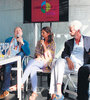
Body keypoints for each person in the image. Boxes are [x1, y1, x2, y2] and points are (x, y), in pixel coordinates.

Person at [9, 26, 56, 100]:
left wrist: (43, 45)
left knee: (31, 62)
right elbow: (36, 52)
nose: (42, 34)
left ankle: (20, 83)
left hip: (47, 63)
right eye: (41, 32)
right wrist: (38, 56)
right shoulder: (39, 42)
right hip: (38, 61)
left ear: (48, 34)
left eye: (43, 33)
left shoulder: (52, 43)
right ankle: (34, 92)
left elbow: (49, 56)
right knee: (32, 68)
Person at [49, 20, 90, 100]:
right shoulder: (68, 42)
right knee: (58, 61)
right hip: (69, 65)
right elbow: (64, 54)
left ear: (77, 31)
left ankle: (54, 93)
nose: (69, 32)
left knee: (54, 65)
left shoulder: (88, 40)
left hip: (82, 67)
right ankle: (58, 91)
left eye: (71, 31)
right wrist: (68, 60)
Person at [0, 27, 30, 99]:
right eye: (16, 31)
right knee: (7, 66)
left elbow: (28, 53)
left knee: (21, 54)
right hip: (8, 61)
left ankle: (4, 89)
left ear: (22, 33)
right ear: (14, 33)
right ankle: (5, 90)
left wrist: (22, 43)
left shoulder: (25, 42)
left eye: (19, 31)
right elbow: (4, 51)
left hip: (18, 62)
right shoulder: (9, 40)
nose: (17, 32)